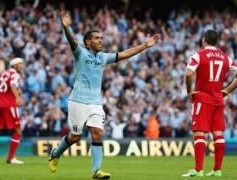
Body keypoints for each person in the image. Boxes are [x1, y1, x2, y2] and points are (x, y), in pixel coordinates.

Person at [48, 11, 160, 179]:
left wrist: (144, 46)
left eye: (101, 37)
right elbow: (72, 42)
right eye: (97, 38)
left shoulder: (103, 57)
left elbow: (124, 54)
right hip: (77, 101)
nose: (101, 40)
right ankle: (55, 154)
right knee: (75, 137)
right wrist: (66, 28)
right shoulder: (80, 53)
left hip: (95, 103)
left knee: (98, 133)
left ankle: (95, 171)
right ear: (88, 42)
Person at [182, 29, 237, 177]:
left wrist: (189, 90)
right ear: (216, 41)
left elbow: (188, 73)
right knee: (218, 134)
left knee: (199, 133)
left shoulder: (198, 55)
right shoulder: (225, 58)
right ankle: (217, 170)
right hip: (218, 99)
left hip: (203, 98)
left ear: (204, 40)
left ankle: (198, 170)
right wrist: (227, 90)